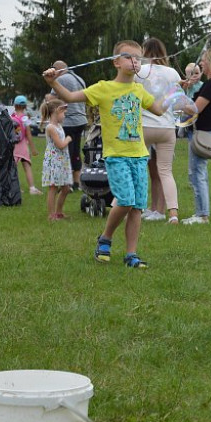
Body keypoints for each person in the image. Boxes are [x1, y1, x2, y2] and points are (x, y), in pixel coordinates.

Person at [44, 41, 165, 269]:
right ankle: (106, 237)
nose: (134, 61)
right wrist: (52, 82)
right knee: (126, 200)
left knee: (137, 206)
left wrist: (179, 93)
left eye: (138, 58)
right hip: (116, 156)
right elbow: (70, 97)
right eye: (129, 57)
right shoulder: (103, 88)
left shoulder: (139, 90)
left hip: (139, 155)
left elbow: (159, 109)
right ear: (116, 62)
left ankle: (131, 254)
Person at [136, 37, 183, 224]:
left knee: (139, 169)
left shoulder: (140, 71)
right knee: (165, 171)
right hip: (166, 127)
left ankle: (136, 208)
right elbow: (179, 101)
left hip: (144, 126)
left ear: (144, 51)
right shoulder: (172, 73)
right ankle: (170, 213)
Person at [182, 49, 211, 225]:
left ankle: (202, 214)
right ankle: (201, 212)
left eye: (204, 61)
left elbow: (194, 108)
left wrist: (177, 101)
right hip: (205, 131)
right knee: (199, 172)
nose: (201, 64)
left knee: (197, 173)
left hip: (202, 133)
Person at [50, 60, 87, 191]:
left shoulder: (61, 79)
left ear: (57, 69)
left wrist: (46, 97)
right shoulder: (80, 79)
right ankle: (76, 182)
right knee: (75, 151)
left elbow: (52, 99)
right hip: (81, 120)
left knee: (64, 152)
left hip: (68, 121)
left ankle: (65, 183)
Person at [41, 99, 72, 221]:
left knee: (66, 188)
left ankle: (59, 212)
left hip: (62, 161)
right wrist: (68, 139)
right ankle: (51, 214)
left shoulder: (59, 126)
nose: (64, 116)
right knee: (53, 187)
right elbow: (60, 144)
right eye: (63, 113)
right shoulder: (51, 128)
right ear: (56, 111)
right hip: (54, 162)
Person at [10, 95, 41, 196]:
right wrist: (33, 149)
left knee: (12, 169)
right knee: (27, 167)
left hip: (13, 146)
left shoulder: (11, 117)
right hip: (23, 146)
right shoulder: (25, 118)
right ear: (24, 106)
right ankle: (32, 188)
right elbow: (28, 134)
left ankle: (14, 188)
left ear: (15, 105)